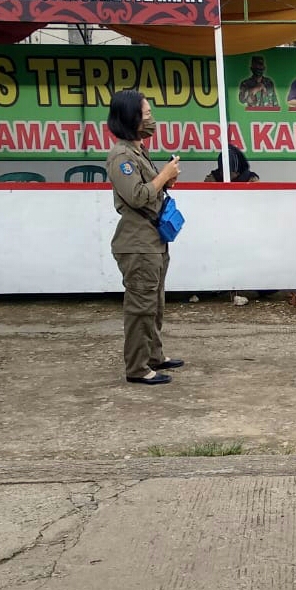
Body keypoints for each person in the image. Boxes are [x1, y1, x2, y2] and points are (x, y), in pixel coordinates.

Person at [104, 89, 185, 386]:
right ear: (131, 118)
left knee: (155, 303)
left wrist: (166, 179)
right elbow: (137, 197)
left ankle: (154, 355)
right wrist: (162, 176)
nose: (151, 119)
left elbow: (150, 189)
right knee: (140, 306)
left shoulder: (138, 151)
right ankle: (138, 368)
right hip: (137, 243)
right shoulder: (121, 156)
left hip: (154, 239)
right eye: (146, 114)